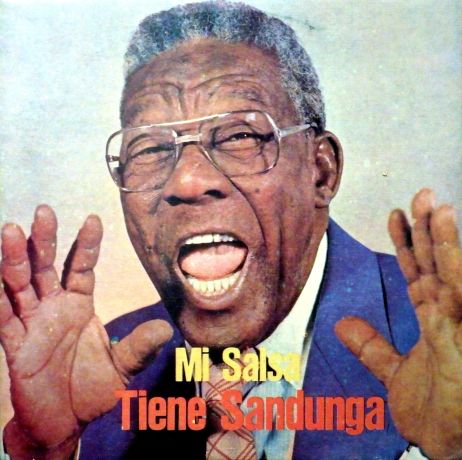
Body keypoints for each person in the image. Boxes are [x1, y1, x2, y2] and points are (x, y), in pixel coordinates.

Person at [1, 2, 461, 459]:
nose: (187, 181)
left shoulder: (442, 340)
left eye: (240, 137)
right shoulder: (104, 370)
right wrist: (44, 450)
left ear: (320, 172)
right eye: (150, 149)